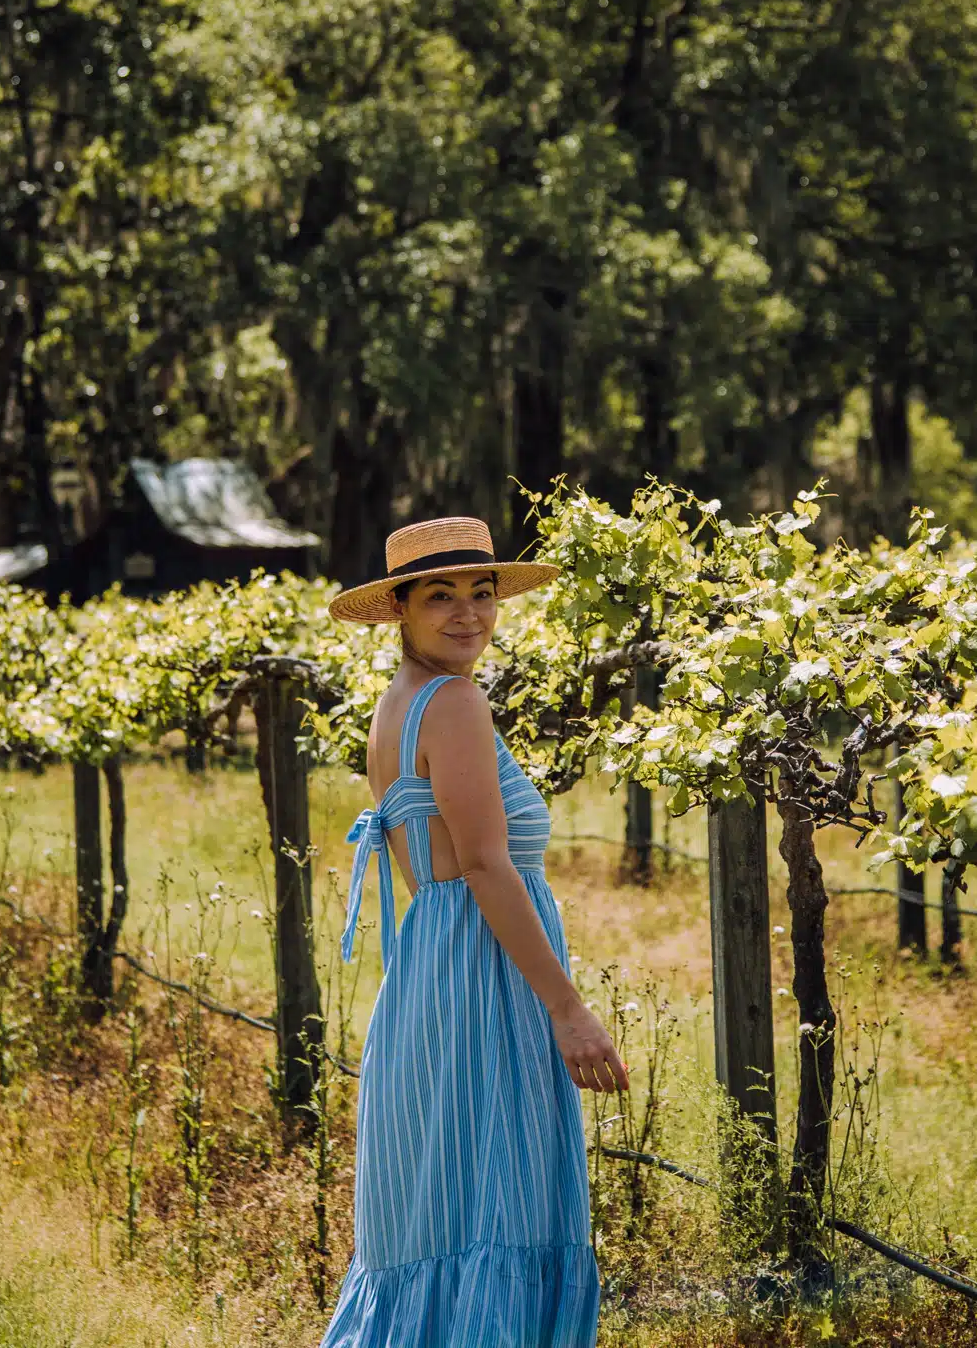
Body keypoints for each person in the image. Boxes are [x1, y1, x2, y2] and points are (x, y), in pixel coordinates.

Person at [318, 516, 629, 1347]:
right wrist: (567, 1009)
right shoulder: (454, 702)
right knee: (498, 1201)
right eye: (440, 596)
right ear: (402, 612)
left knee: (443, 1210)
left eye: (482, 592)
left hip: (436, 970)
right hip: (485, 981)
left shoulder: (399, 704)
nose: (468, 613)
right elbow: (487, 868)